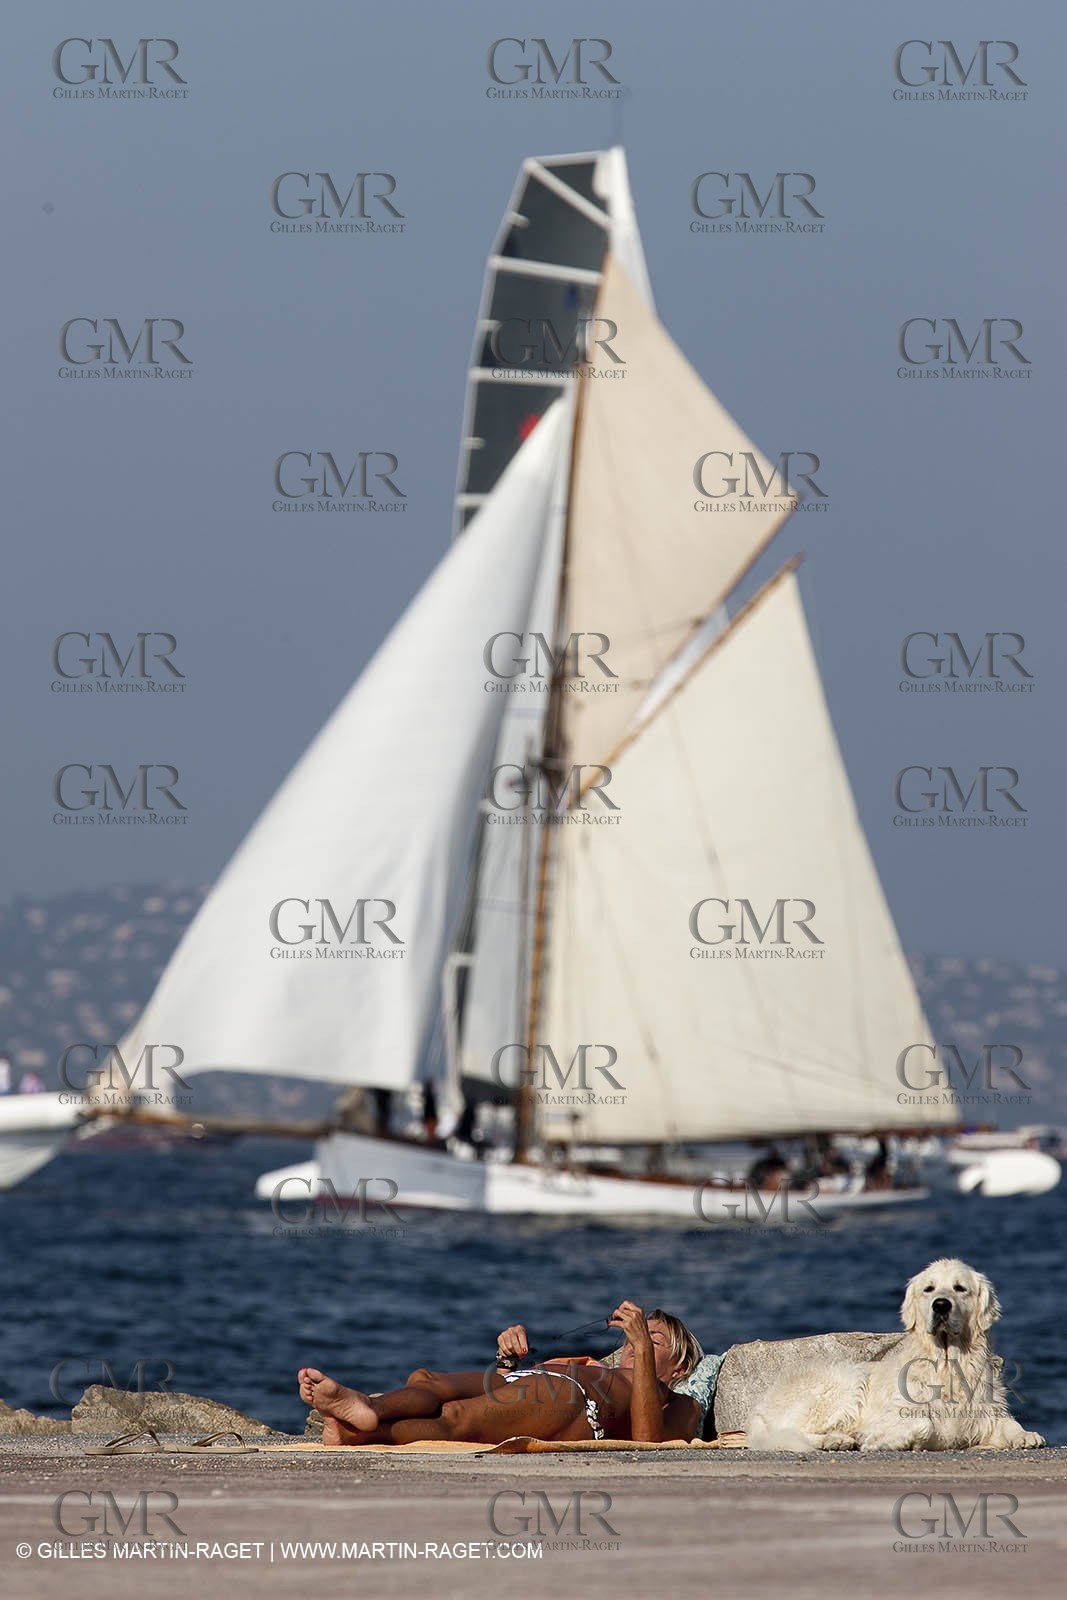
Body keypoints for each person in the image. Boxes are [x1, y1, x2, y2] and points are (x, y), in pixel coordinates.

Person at [298, 1301, 703, 1447]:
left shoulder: (681, 1403)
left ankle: (364, 1432)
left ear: (681, 1366)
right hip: (542, 1386)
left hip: (574, 1406)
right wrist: (509, 1360)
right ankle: (367, 1407)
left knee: (458, 1419)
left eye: (653, 1341)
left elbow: (648, 1440)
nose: (635, 1345)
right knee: (427, 1379)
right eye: (634, 1339)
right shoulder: (596, 1366)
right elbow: (518, 1395)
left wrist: (645, 1355)